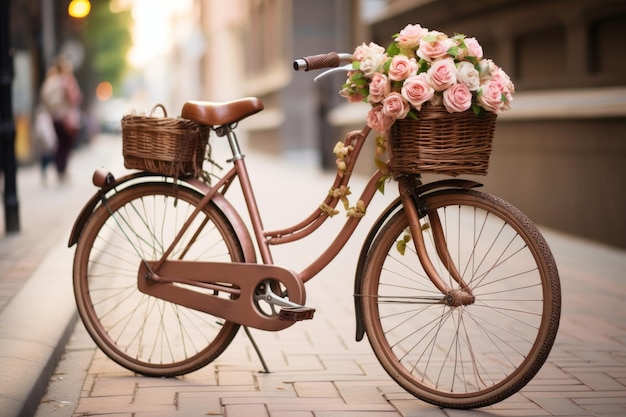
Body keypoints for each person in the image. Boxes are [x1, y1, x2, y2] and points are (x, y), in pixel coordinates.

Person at [39, 56, 82, 184]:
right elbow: (74, 98)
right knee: (66, 145)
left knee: (59, 145)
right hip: (65, 117)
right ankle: (62, 172)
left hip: (54, 117)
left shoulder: (50, 81)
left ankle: (58, 170)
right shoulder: (65, 80)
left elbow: (44, 99)